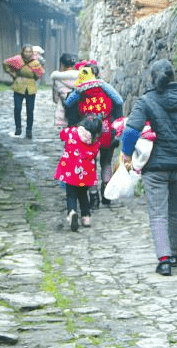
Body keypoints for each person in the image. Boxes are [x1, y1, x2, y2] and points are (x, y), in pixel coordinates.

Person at [120, 59, 177, 276]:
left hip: (155, 168)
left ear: (153, 79)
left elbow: (132, 130)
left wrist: (126, 153)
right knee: (175, 212)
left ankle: (163, 259)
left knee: (158, 213)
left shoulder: (145, 102)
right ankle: (174, 254)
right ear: (173, 77)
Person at [63, 60, 124, 209]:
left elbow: (68, 104)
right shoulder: (104, 86)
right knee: (106, 162)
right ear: (97, 74)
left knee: (89, 163)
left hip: (87, 130)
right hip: (105, 129)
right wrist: (117, 119)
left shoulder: (80, 88)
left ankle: (93, 197)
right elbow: (119, 100)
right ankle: (107, 193)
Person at [54, 115, 102, 231]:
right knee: (83, 195)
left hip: (70, 172)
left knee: (71, 195)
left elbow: (62, 135)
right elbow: (95, 155)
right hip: (85, 174)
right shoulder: (95, 143)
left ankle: (72, 212)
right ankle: (86, 217)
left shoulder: (72, 132)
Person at [3, 44, 45, 139]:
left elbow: (40, 73)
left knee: (30, 110)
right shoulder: (17, 59)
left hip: (30, 88)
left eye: (30, 52)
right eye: (26, 51)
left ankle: (29, 130)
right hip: (19, 86)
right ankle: (18, 127)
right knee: (17, 108)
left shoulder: (35, 63)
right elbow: (5, 63)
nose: (28, 53)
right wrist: (12, 73)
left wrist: (33, 76)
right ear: (23, 52)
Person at [50, 53, 79, 130]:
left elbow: (55, 98)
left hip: (65, 106)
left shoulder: (57, 77)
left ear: (62, 64)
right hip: (80, 106)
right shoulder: (81, 76)